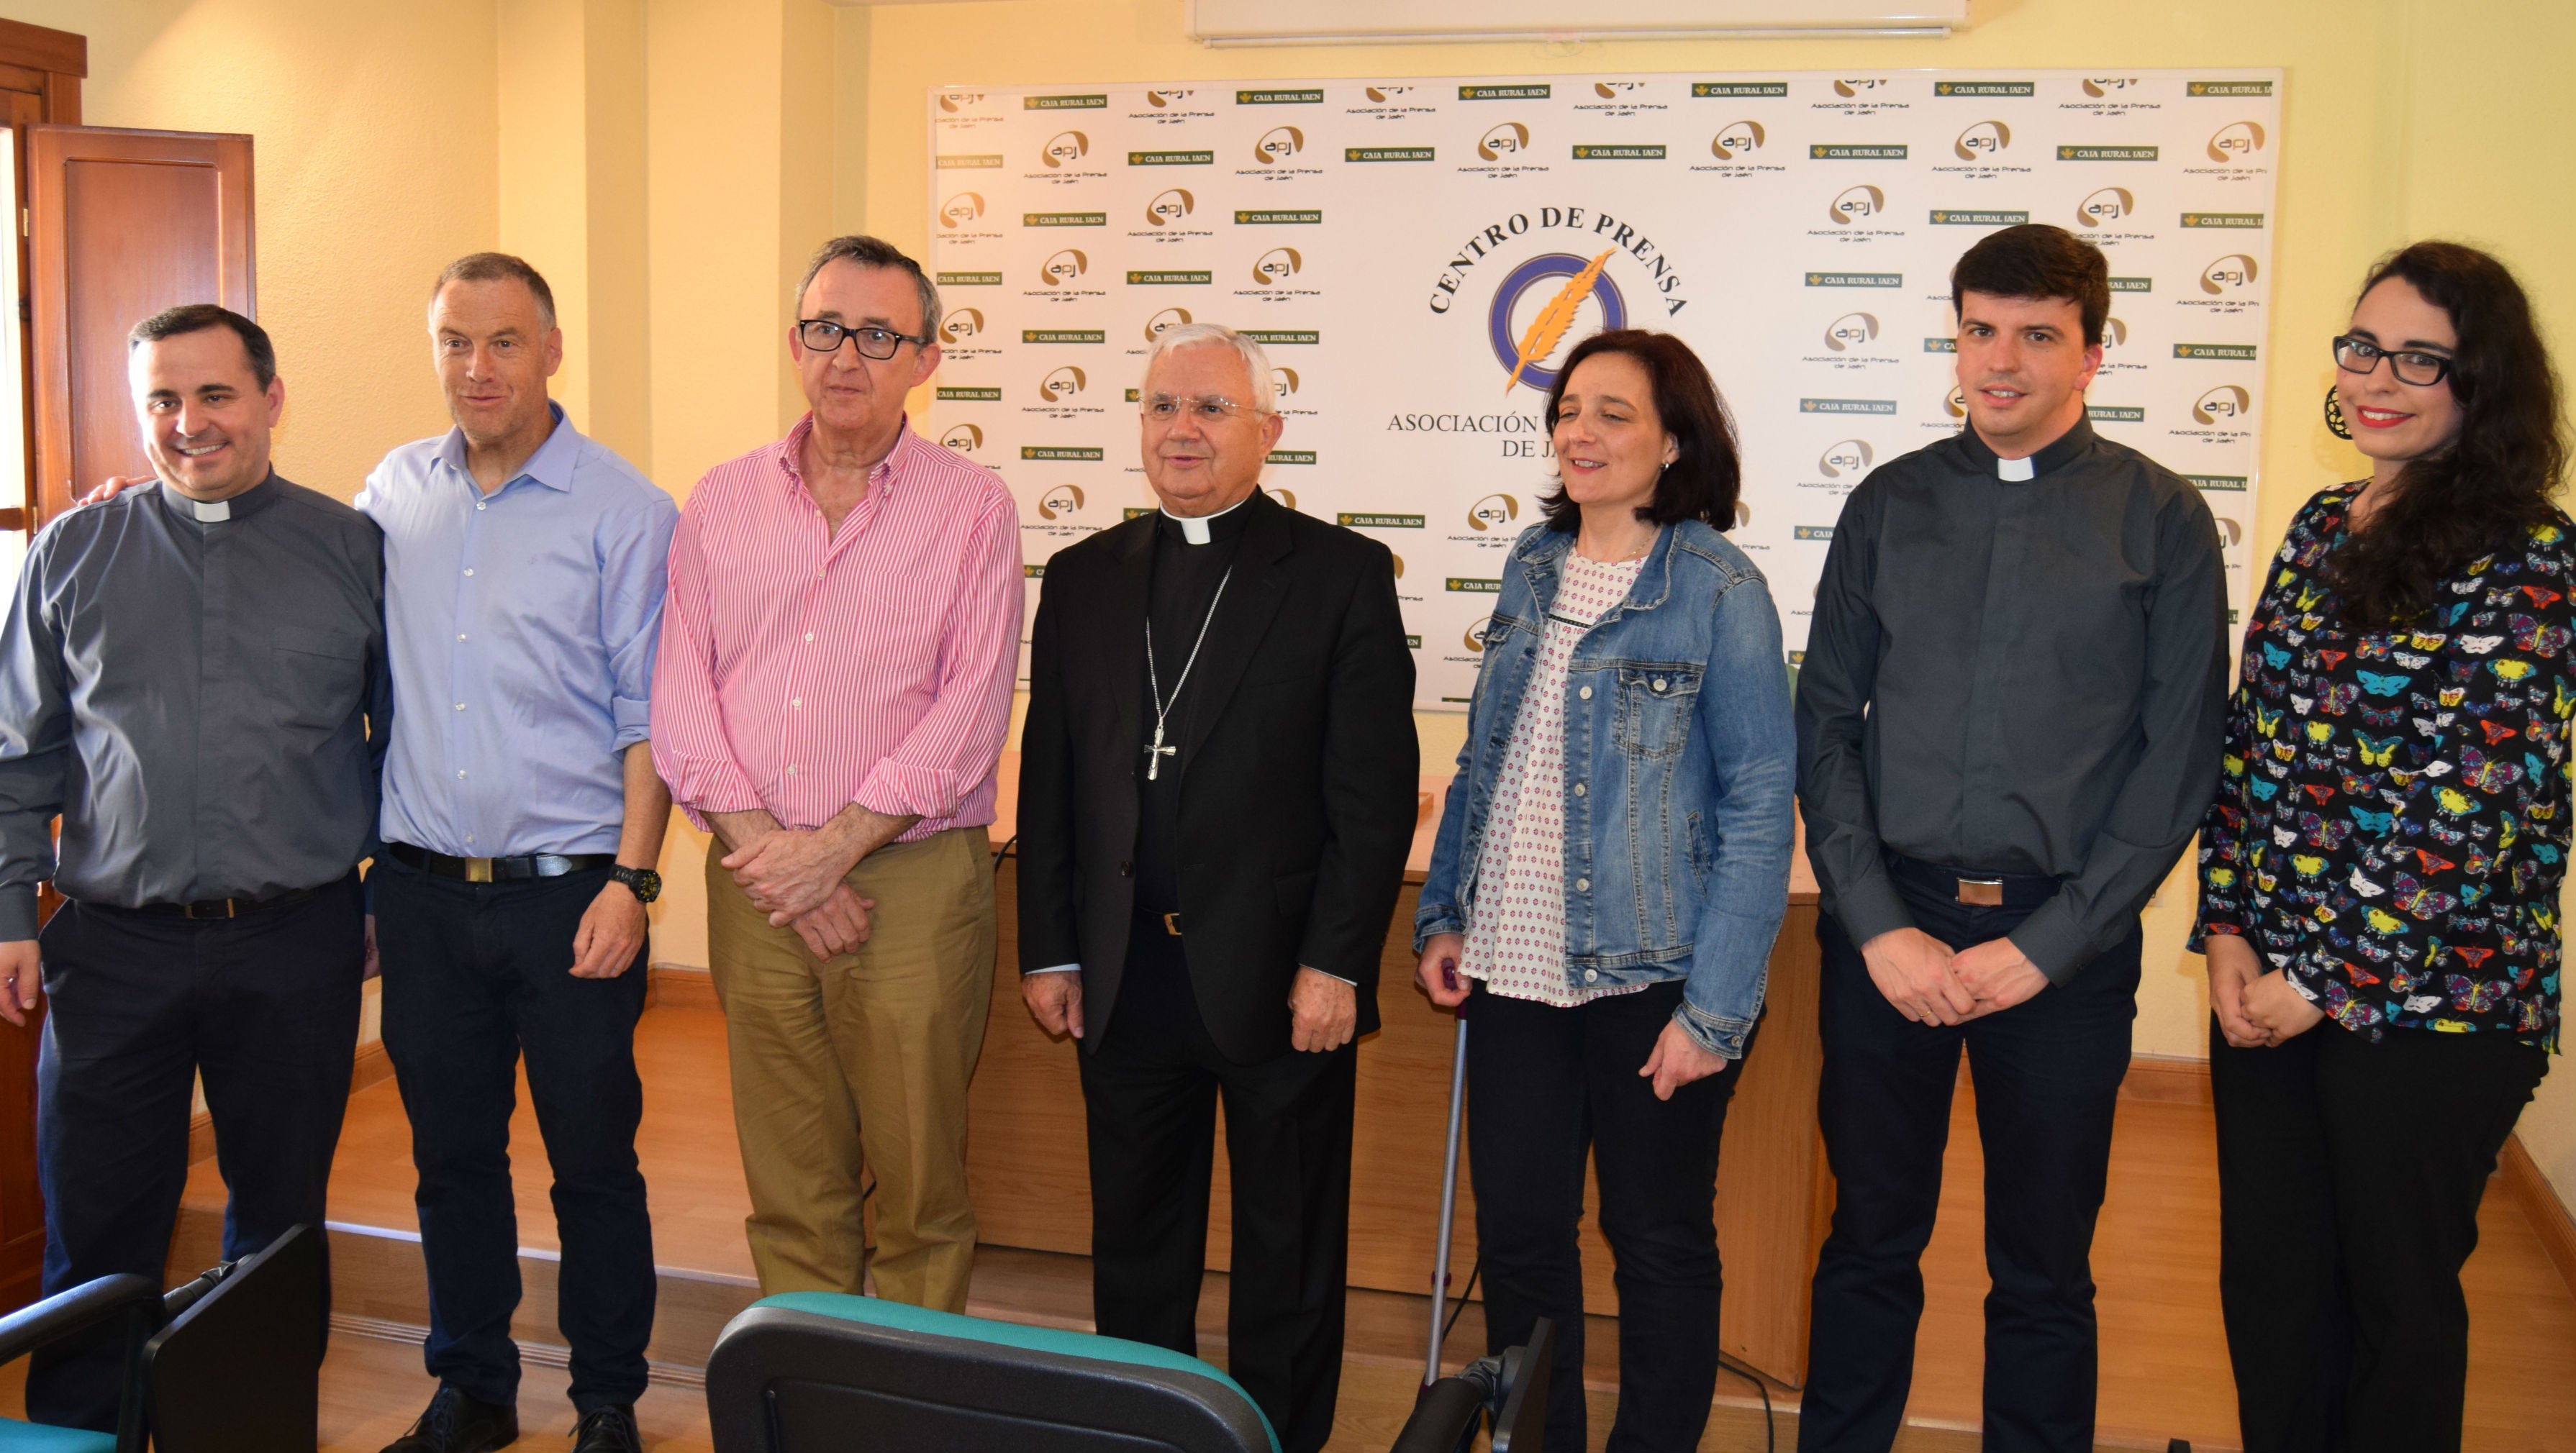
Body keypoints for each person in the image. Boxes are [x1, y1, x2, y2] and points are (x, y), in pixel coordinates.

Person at [1793, 223, 2228, 1453]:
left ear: (2093, 351)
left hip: (2065, 950)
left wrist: (2051, 945)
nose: (2001, 361)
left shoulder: (2161, 519)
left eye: (2037, 336)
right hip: (1892, 941)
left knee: (2044, 1265)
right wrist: (1875, 924)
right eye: (1980, 328)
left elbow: (2179, 756)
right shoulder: (1889, 504)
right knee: (1869, 1239)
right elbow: (1824, 724)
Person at [2194, 242, 2569, 1453]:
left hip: (2435, 1010)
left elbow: (2472, 803)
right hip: (2272, 985)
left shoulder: (2535, 558)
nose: (2379, 378)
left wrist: (2326, 979)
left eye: (2422, 358)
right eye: (2364, 347)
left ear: (2484, 382)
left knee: (2392, 1304)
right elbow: (2254, 750)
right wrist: (2230, 934)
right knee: (2272, 1289)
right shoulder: (2320, 524)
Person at [1016, 322, 1417, 1453]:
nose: (1180, 430)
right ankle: (1144, 1434)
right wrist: (1049, 947)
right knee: (1136, 1243)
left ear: (1268, 433)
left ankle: (1278, 1440)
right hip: (1127, 969)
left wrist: (1335, 961)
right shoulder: (1088, 576)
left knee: (1289, 1247)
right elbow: (1053, 774)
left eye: (1209, 409)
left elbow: (1371, 802)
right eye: (1161, 407)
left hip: (1280, 977)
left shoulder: (1339, 576)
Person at [0, 305, 390, 1431]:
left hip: (294, 939)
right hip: (111, 946)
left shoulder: (351, 550)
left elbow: (401, 740)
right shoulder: (76, 550)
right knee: (97, 1223)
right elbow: (20, 746)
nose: (189, 422)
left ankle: (255, 1431)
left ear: (271, 399)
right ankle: (86, 1435)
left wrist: (381, 898)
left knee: (279, 1225)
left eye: (215, 394)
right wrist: (9, 912)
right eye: (163, 400)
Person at [1412, 329, 1796, 1453]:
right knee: (1524, 1244)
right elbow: (1489, 758)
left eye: (1615, 413)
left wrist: (1714, 1012)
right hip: (1512, 969)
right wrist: (1448, 912)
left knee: (1659, 1245)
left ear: (1674, 440)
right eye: (1570, 409)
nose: (1582, 432)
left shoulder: (1719, 590)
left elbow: (1761, 809)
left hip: (1652, 977)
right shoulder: (1533, 566)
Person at [651, 235, 1020, 1312]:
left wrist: (834, 852)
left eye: (876, 335)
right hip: (755, 873)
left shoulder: (973, 509)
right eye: (824, 329)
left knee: (916, 1185)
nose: (844, 357)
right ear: (795, 342)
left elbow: (972, 709)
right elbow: (683, 699)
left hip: (908, 878)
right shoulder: (721, 502)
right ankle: (804, 1389)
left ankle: (902, 1401)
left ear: (925, 357)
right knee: (790, 1173)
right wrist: (780, 858)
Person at [364, 255, 677, 1453]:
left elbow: (651, 716)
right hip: (425, 895)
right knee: (451, 1160)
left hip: (570, 901)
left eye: (503, 342)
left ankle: (608, 1403)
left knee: (594, 1161)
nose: (477, 368)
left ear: (553, 350)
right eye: (454, 341)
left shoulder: (626, 510)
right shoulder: (392, 492)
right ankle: (475, 1390)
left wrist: (633, 884)